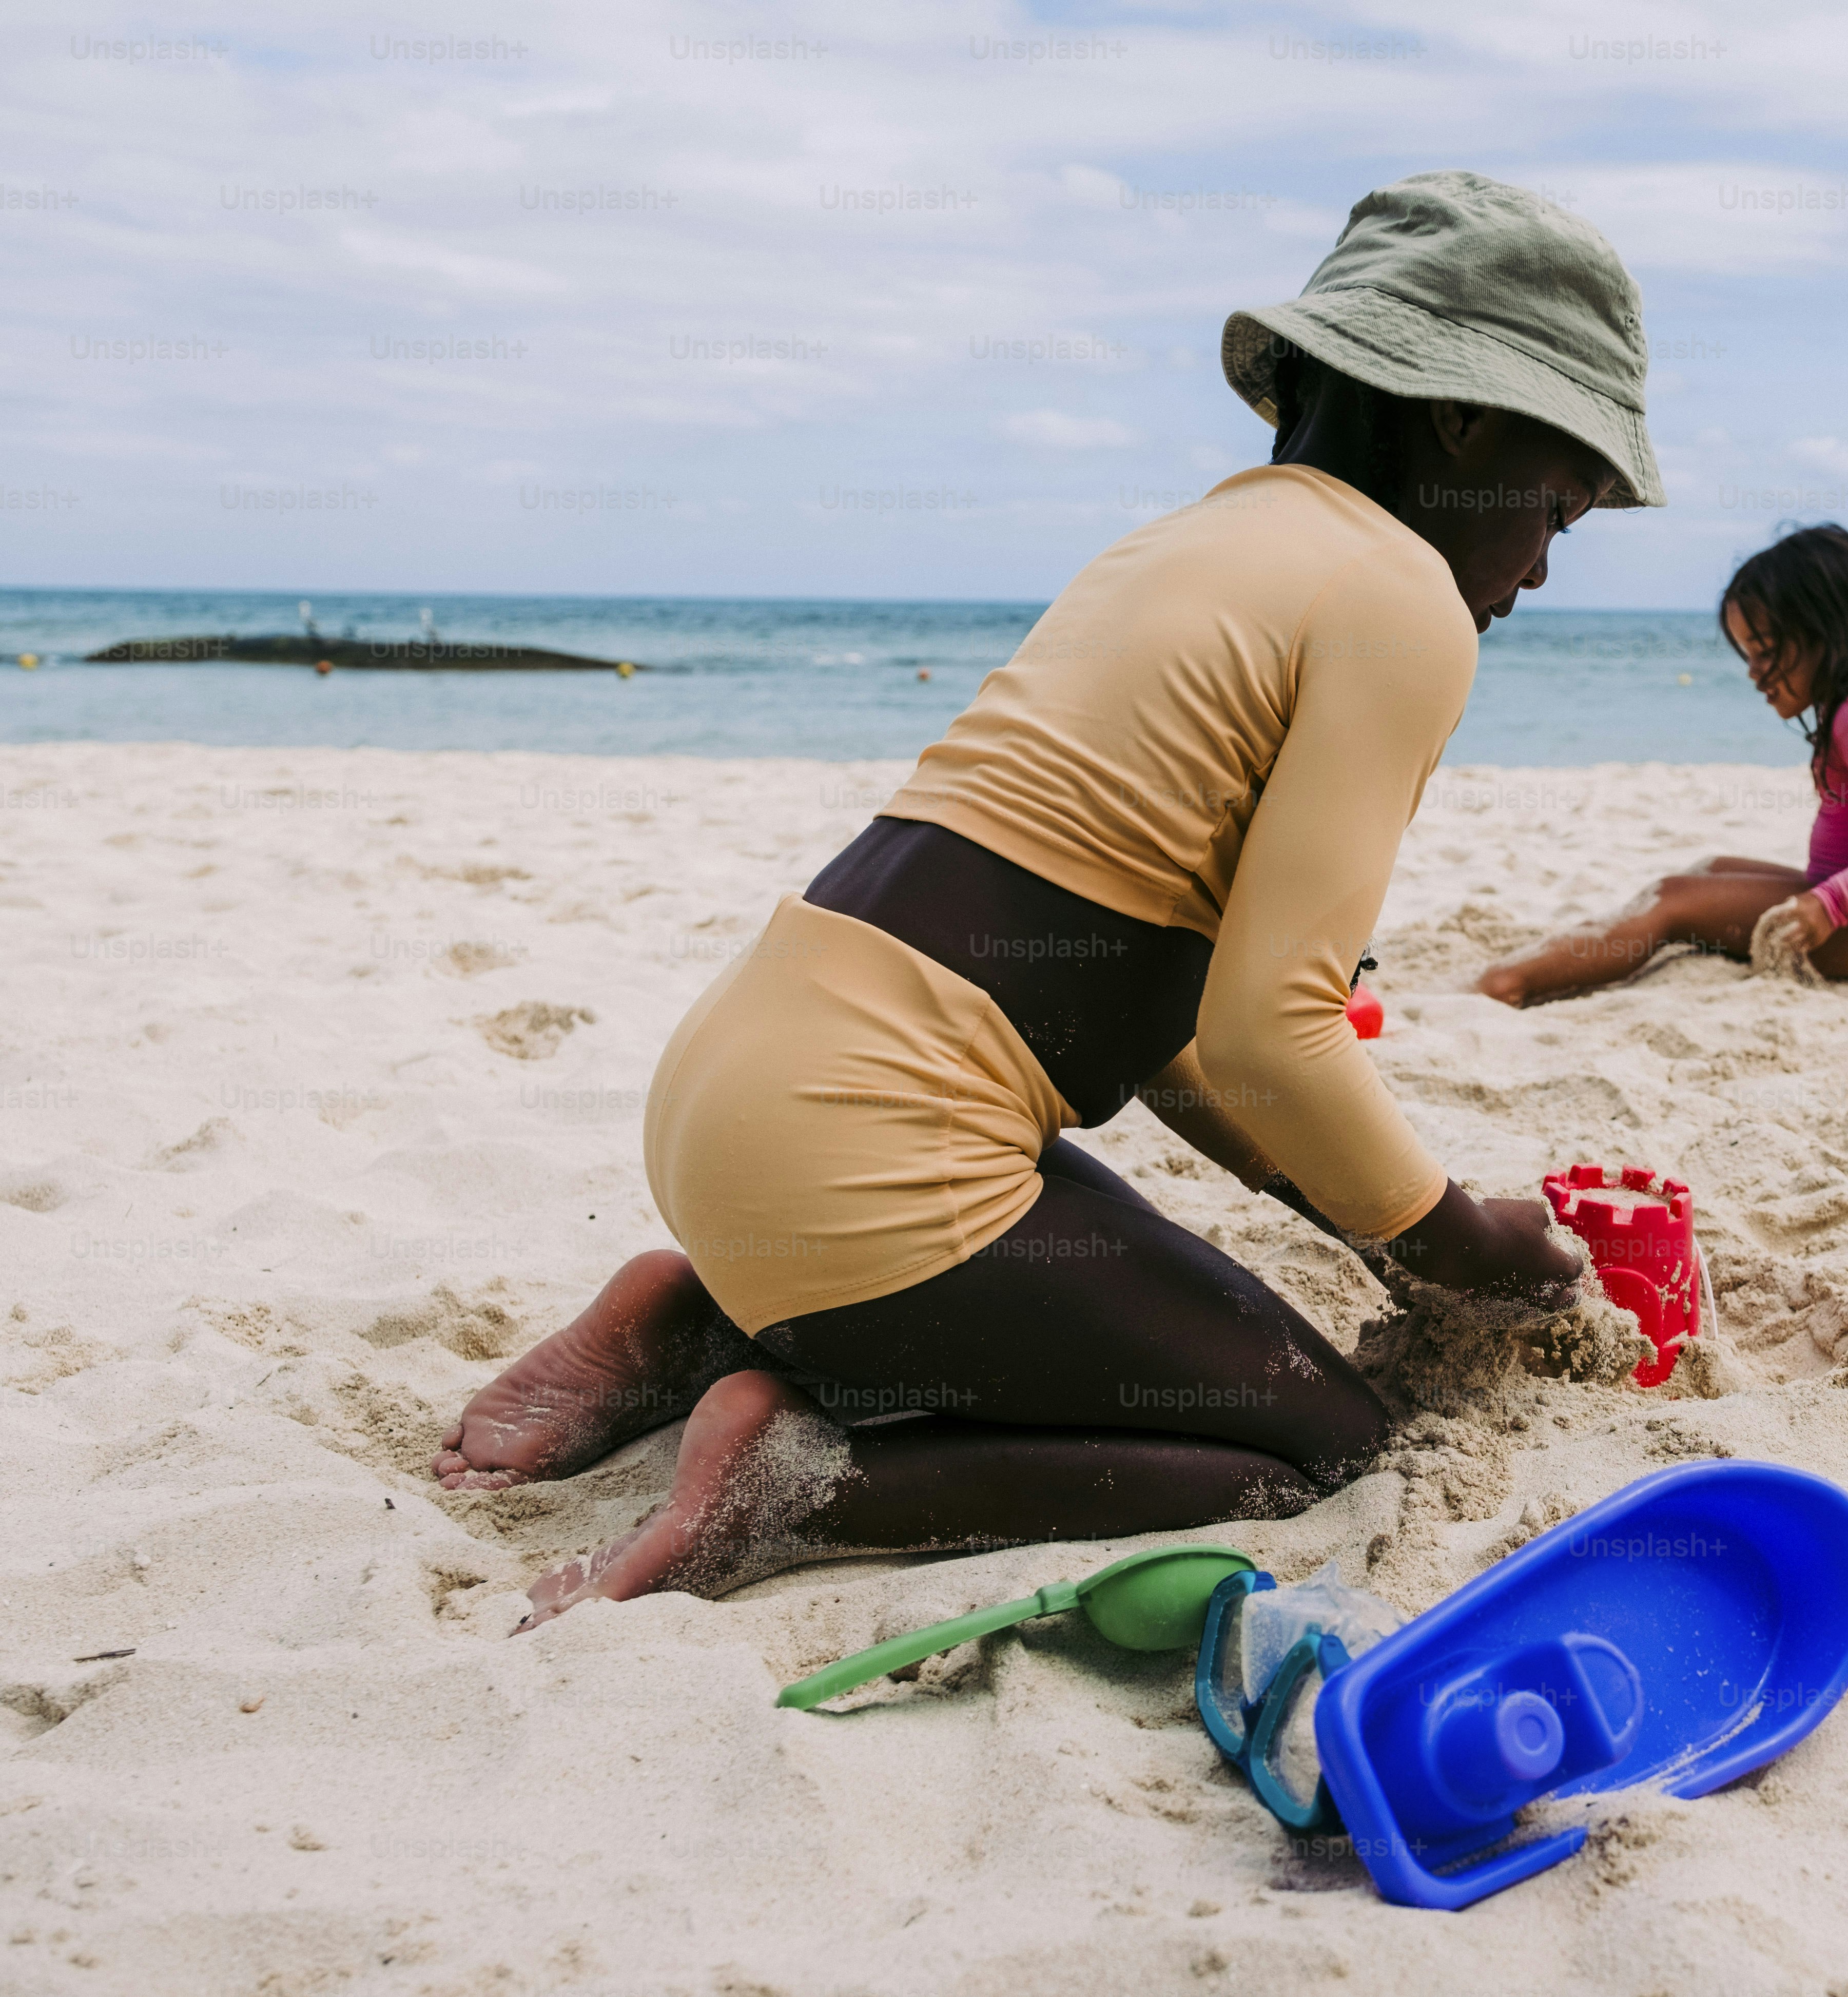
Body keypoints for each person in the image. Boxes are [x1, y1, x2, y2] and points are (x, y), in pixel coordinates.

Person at [432, 172, 1667, 1627]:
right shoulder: (1398, 593)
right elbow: (1278, 1031)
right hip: (874, 1156)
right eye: (1556, 512)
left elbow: (1171, 1037)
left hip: (743, 1093)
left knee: (1130, 1312)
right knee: (1319, 1441)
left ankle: (706, 1313)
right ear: (1460, 417)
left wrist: (1359, 1217)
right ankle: (799, 1476)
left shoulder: (1187, 546)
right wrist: (1459, 1247)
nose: (1531, 570)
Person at [1476, 524, 1848, 1004]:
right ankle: (1582, 949)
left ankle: (1507, 983)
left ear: (1830, 634)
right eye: (1747, 654)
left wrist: (1828, 906)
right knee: (1711, 869)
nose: (1753, 673)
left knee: (1671, 902)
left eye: (1766, 652)